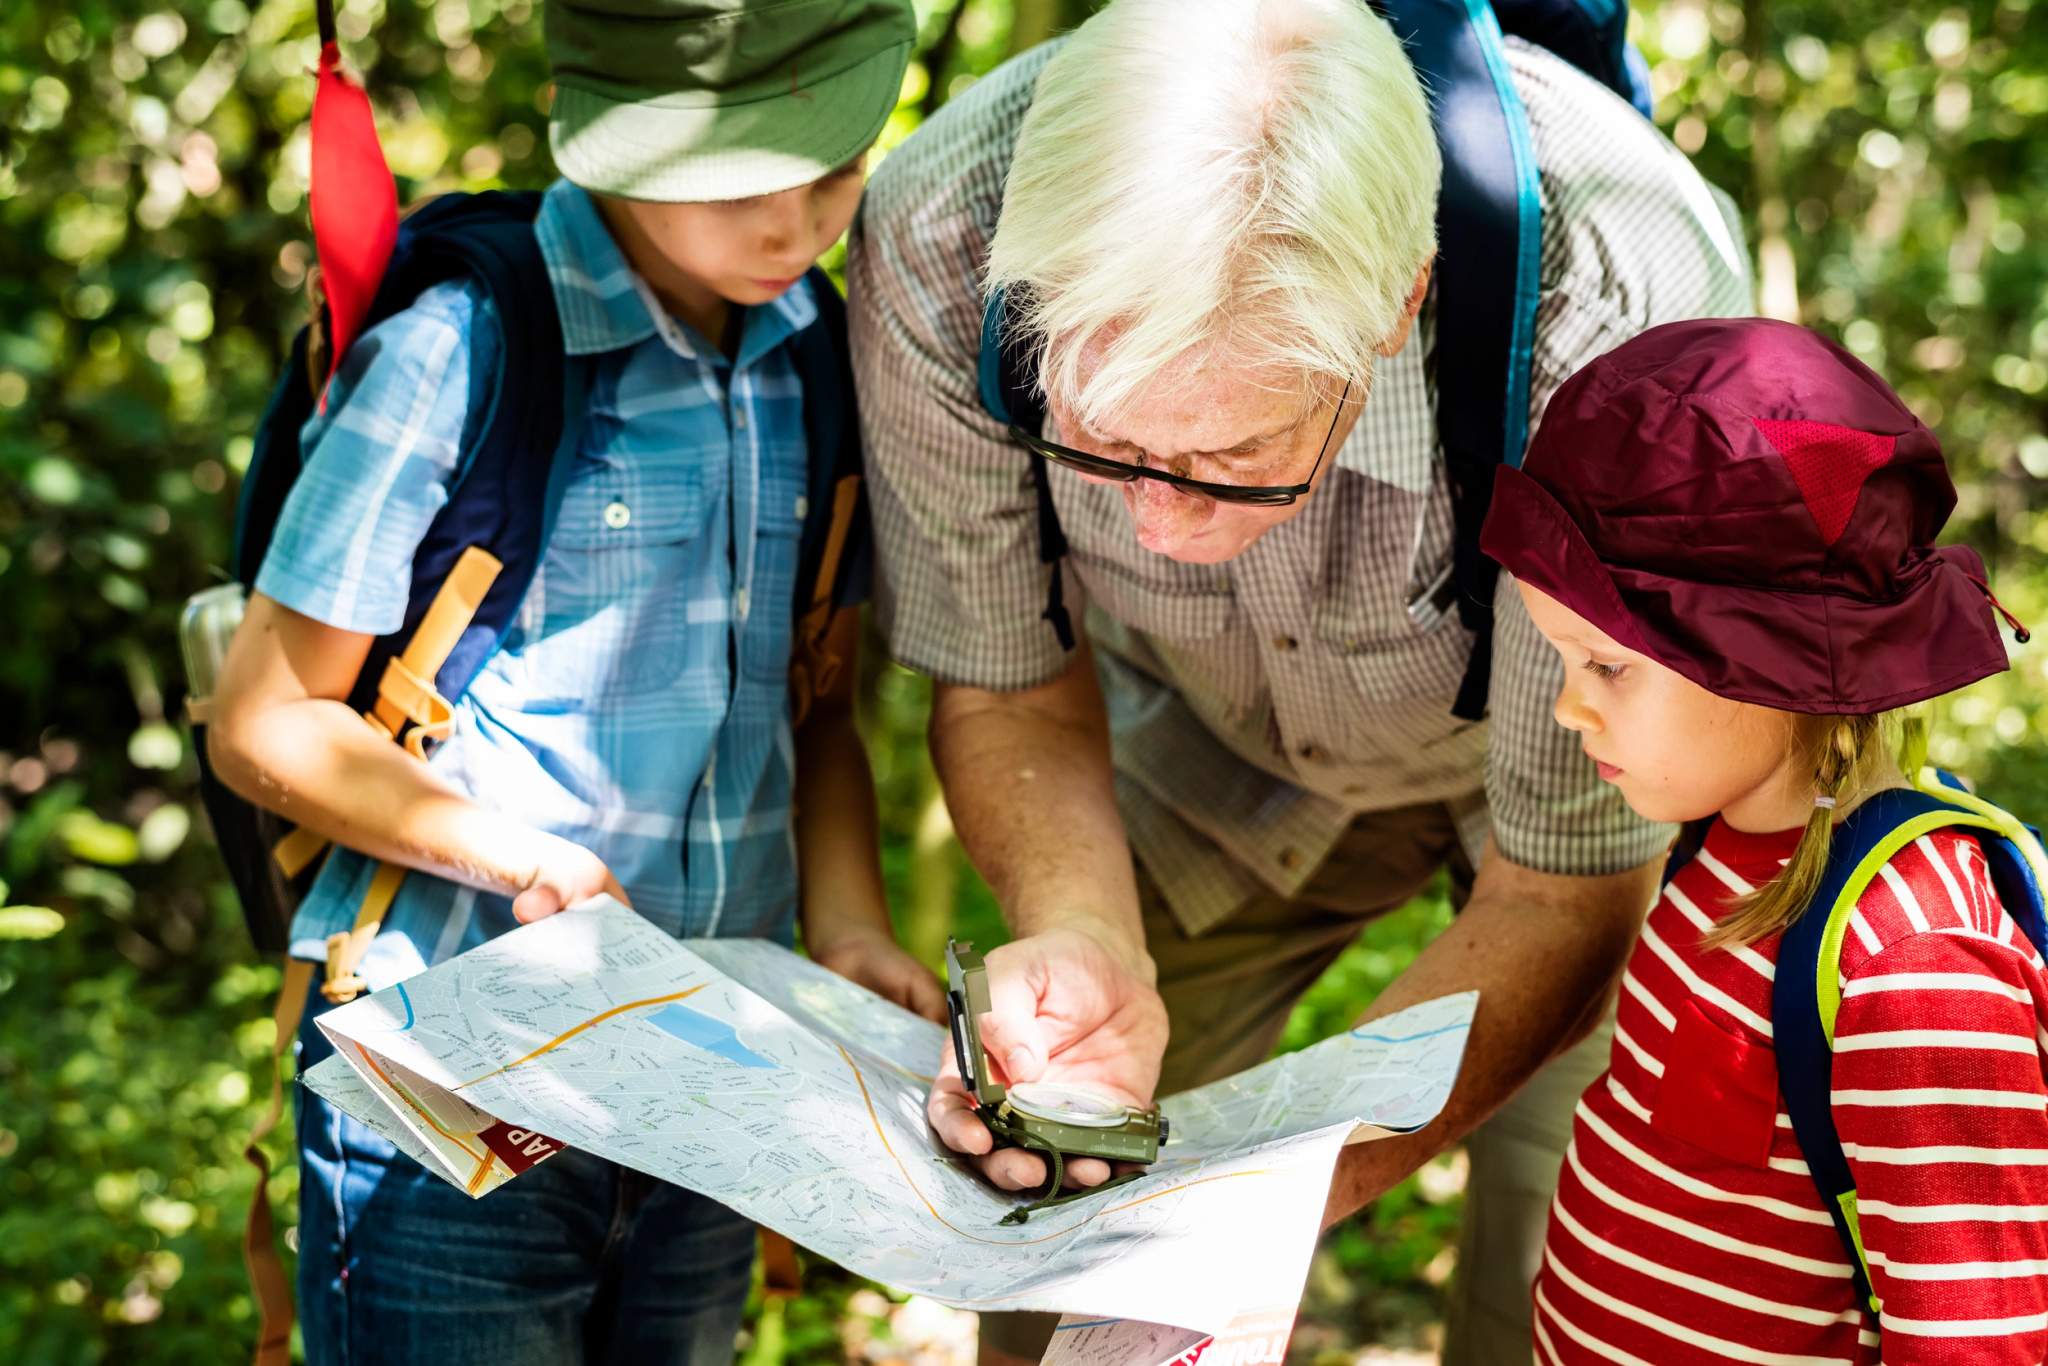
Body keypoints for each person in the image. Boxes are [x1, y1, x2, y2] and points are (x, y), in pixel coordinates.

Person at [845, 0, 1751, 1357]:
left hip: (1576, 783)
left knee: (1576, 1278)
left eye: (1231, 459)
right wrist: (1079, 921)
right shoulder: (941, 233)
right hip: (1207, 741)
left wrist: (1270, 1198)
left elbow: (1566, 885)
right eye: (1100, 444)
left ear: (1396, 307)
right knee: (1054, 1258)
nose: (1154, 526)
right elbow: (1011, 681)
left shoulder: (1618, 308)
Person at [206, 2, 930, 1362]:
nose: (795, 223)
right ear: (614, 144)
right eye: (742, 185)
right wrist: (513, 853)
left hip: (719, 1066)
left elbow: (814, 702)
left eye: (833, 172)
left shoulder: (815, 353)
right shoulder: (462, 346)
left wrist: (849, 930)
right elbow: (268, 715)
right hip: (453, 1076)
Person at [1478, 316, 2046, 1362]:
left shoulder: (1908, 965)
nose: (1568, 709)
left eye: (1604, 665)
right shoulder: (1711, 848)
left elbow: (1978, 1340)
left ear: (1773, 663)